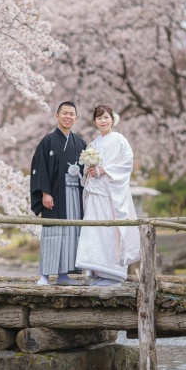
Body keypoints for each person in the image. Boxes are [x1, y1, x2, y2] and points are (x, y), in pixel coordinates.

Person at [75, 104, 140, 286]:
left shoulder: (119, 140)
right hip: (95, 193)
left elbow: (127, 163)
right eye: (99, 118)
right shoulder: (94, 144)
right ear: (95, 122)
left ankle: (112, 273)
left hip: (110, 194)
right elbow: (89, 167)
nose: (103, 121)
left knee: (110, 231)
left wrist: (103, 170)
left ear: (113, 119)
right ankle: (96, 270)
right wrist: (88, 170)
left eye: (106, 117)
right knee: (94, 230)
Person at [30, 101, 88, 285]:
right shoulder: (48, 141)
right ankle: (45, 275)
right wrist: (45, 193)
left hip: (74, 195)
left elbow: (86, 170)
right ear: (57, 116)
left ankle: (64, 275)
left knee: (71, 233)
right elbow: (40, 168)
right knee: (53, 232)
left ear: (76, 118)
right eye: (65, 113)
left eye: (71, 114)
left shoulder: (80, 143)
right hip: (55, 194)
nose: (68, 117)